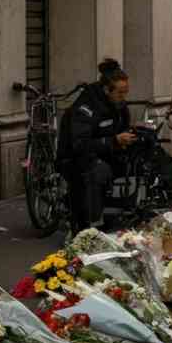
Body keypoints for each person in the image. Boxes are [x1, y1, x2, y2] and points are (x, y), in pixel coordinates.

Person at [57, 59, 134, 229]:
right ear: (107, 90)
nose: (123, 97)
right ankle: (91, 224)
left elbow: (121, 127)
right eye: (120, 93)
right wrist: (113, 141)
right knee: (99, 171)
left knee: (142, 159)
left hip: (105, 152)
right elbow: (79, 144)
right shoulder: (86, 107)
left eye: (126, 92)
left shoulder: (119, 106)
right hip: (76, 158)